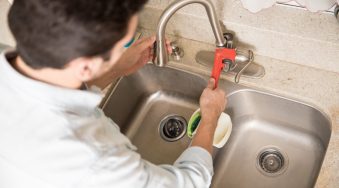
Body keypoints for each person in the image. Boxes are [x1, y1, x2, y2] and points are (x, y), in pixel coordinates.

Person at [0, 0, 227, 188]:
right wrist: (210, 119)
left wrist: (116, 67)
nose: (123, 50)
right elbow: (188, 183)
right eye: (121, 46)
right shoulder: (94, 159)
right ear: (85, 67)